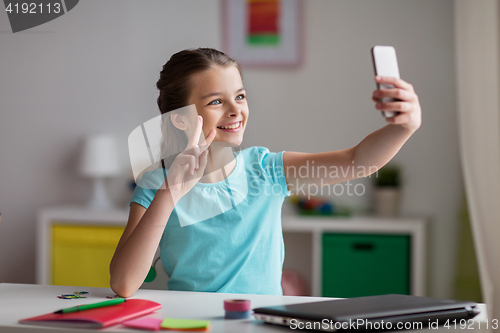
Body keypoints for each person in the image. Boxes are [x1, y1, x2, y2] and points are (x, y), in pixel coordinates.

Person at [110, 48, 421, 298]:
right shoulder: (156, 185)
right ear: (180, 119)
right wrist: (171, 191)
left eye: (240, 96)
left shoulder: (266, 169)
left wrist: (405, 126)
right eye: (216, 101)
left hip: (260, 323)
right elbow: (124, 283)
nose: (235, 110)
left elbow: (357, 161)